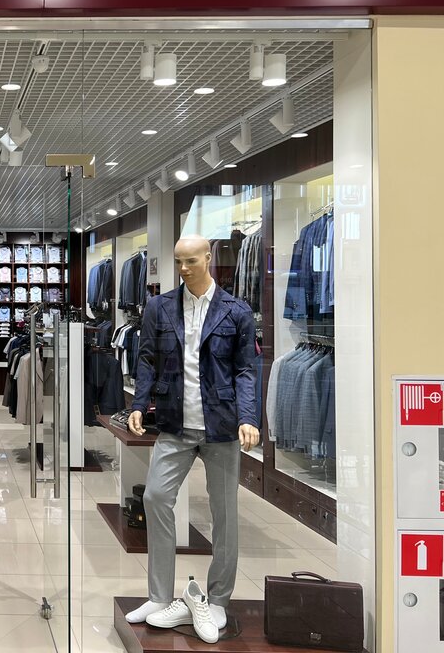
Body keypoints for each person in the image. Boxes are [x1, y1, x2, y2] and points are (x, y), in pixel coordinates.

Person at [124, 235, 259, 641]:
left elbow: (246, 370)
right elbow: (147, 358)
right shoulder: (159, 306)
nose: (183, 269)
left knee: (224, 514)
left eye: (191, 261)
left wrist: (248, 417)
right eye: (178, 262)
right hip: (175, 422)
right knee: (155, 497)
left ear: (208, 258)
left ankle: (217, 599)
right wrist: (138, 403)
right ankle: (159, 595)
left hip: (221, 425)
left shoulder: (237, 311)